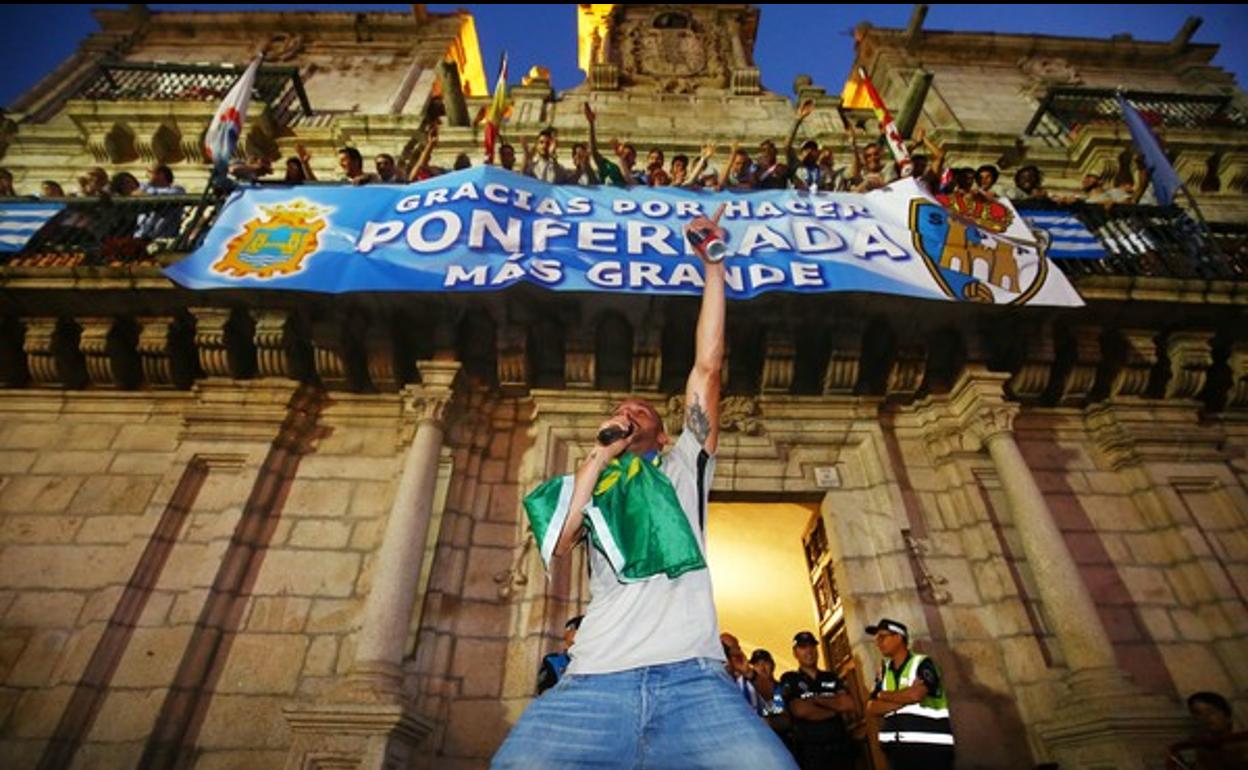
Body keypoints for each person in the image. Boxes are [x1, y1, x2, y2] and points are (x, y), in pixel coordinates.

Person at [492, 206, 798, 770]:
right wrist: (596, 458)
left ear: (660, 433)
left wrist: (713, 267)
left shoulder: (684, 465)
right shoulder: (585, 482)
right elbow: (559, 545)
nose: (628, 409)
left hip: (695, 683)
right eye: (618, 409)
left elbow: (707, 367)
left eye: (641, 410)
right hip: (591, 685)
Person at [866, 618, 954, 770]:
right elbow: (871, 707)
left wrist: (883, 695)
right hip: (897, 751)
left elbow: (917, 695)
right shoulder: (884, 670)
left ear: (899, 637)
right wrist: (905, 697)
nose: (878, 642)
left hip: (929, 749)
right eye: (876, 639)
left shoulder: (922, 663)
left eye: (882, 637)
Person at [780, 631, 857, 770]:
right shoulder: (790, 679)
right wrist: (834, 707)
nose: (809, 651)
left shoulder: (830, 677)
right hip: (811, 753)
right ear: (795, 653)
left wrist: (815, 700)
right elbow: (800, 710)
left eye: (811, 646)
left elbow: (848, 704)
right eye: (803, 647)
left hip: (840, 749)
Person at [536, 615, 584, 695]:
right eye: (568, 629)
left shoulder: (599, 661)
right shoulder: (552, 661)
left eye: (572, 629)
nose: (566, 634)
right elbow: (544, 692)